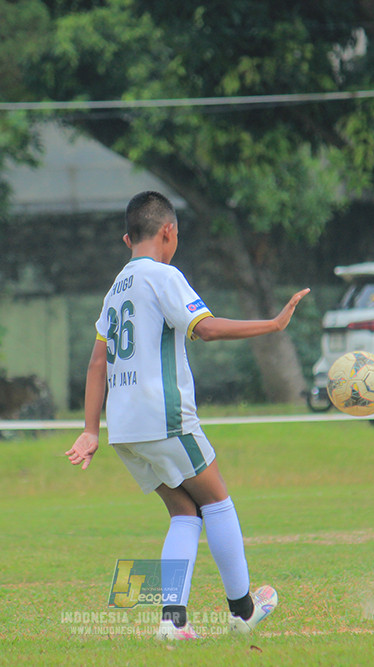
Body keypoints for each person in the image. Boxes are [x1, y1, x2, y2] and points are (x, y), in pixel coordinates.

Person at [65, 191, 310, 640]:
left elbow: (97, 363)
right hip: (166, 417)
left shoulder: (115, 290)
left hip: (124, 428)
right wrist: (272, 325)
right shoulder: (163, 275)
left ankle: (172, 622)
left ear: (126, 238)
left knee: (183, 511)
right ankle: (243, 610)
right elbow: (207, 328)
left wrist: (89, 429)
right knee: (216, 500)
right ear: (168, 232)